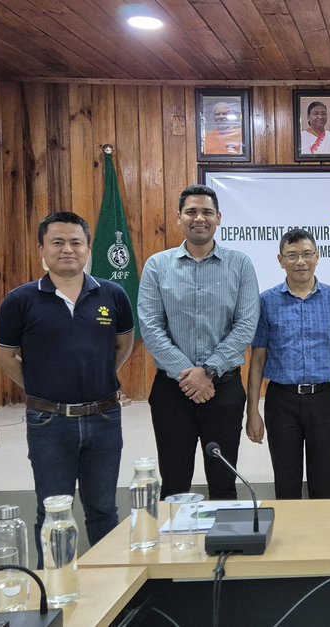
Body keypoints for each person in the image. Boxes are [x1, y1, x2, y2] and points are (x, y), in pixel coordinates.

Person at [0, 212, 135, 564]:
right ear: (41, 248)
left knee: (103, 509)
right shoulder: (20, 300)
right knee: (53, 511)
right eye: (57, 242)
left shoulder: (113, 295)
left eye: (76, 242)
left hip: (104, 418)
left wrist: (96, 374)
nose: (67, 249)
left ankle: (111, 586)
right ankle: (55, 594)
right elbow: (4, 355)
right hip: (48, 423)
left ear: (88, 248)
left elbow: (123, 345)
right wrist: (41, 388)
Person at [138, 184, 259, 500]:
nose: (199, 218)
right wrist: (188, 375)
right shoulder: (157, 265)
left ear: (219, 217)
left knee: (223, 483)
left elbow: (246, 325)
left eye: (206, 212)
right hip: (171, 392)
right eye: (191, 212)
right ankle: (175, 548)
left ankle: (226, 548)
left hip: (225, 390)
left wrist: (208, 372)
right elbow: (150, 326)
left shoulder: (240, 265)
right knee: (174, 483)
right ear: (179, 218)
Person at [246, 229, 330, 499]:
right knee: (286, 481)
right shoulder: (267, 302)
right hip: (282, 401)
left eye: (307, 254)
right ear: (280, 260)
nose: (300, 262)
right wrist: (252, 411)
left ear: (318, 256)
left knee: (326, 481)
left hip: (326, 399)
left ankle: (326, 538)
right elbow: (257, 358)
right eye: (292, 256)